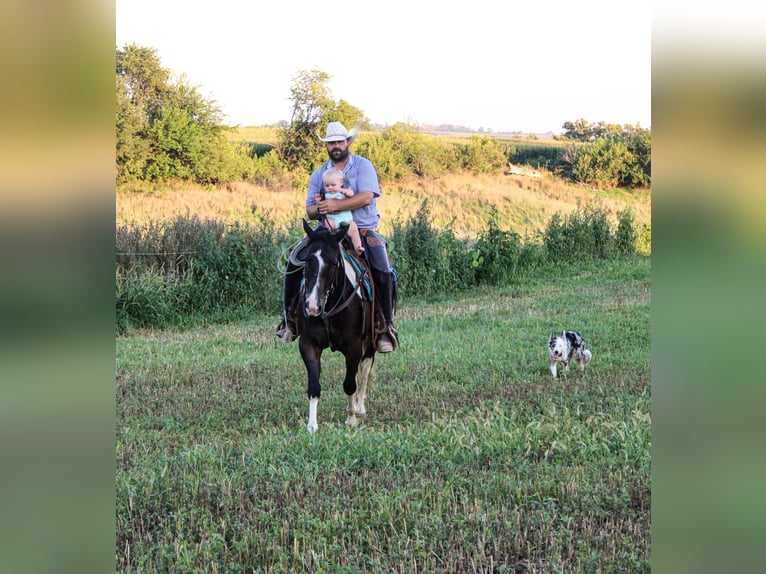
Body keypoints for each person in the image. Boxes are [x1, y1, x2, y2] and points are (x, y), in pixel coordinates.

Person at [276, 121, 398, 353]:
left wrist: (337, 203)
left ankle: (384, 326)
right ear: (327, 146)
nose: (336, 146)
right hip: (327, 233)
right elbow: (310, 210)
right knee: (295, 260)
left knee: (381, 266)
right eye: (331, 143)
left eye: (340, 141)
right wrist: (321, 208)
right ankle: (290, 319)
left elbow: (365, 197)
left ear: (348, 142)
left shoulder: (363, 166)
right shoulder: (319, 173)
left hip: (360, 229)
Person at [320, 167, 365, 256]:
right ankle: (328, 244)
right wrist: (318, 201)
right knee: (327, 224)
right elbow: (321, 205)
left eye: (333, 185)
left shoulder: (343, 193)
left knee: (354, 229)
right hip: (333, 219)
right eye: (327, 186)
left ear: (341, 183)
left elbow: (351, 194)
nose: (330, 188)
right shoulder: (326, 195)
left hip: (346, 219)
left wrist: (345, 191)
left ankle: (358, 246)